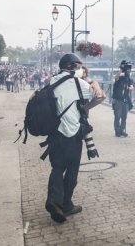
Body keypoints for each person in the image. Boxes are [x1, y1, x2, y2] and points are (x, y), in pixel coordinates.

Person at [45, 53, 101, 223]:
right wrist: (87, 105)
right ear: (72, 67)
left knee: (57, 168)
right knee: (71, 170)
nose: (79, 70)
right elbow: (100, 96)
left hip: (54, 133)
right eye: (77, 67)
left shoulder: (52, 81)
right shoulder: (79, 83)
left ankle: (53, 201)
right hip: (72, 134)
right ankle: (66, 204)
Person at [112, 60, 134, 137]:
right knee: (117, 116)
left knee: (124, 117)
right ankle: (117, 132)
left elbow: (132, 86)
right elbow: (116, 77)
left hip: (126, 100)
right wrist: (121, 69)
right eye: (127, 68)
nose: (128, 70)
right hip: (117, 100)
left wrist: (130, 87)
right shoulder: (119, 77)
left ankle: (122, 131)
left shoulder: (129, 79)